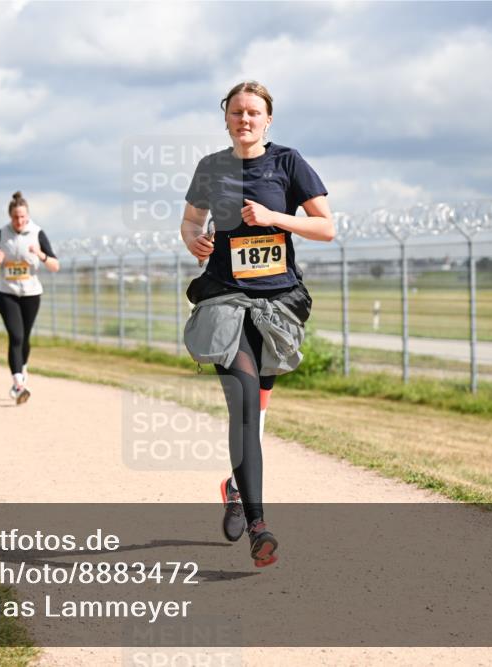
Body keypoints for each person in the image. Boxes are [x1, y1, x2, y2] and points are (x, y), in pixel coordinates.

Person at [181, 81, 334, 567]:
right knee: (245, 403)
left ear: (268, 120)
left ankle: (234, 485)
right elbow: (190, 221)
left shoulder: (288, 163)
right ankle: (259, 528)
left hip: (278, 302)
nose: (245, 119)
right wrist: (194, 242)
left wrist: (275, 217)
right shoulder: (210, 167)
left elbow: (326, 227)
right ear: (225, 116)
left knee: (259, 408)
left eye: (254, 112)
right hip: (225, 297)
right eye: (237, 111)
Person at [0, 191, 60, 404]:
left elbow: (55, 265)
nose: (19, 221)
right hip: (6, 292)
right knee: (16, 335)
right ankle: (19, 384)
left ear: (27, 216)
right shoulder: (2, 233)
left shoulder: (37, 233)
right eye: (15, 217)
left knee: (25, 337)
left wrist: (41, 255)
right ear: (10, 217)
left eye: (22, 217)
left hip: (31, 294)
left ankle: (21, 369)